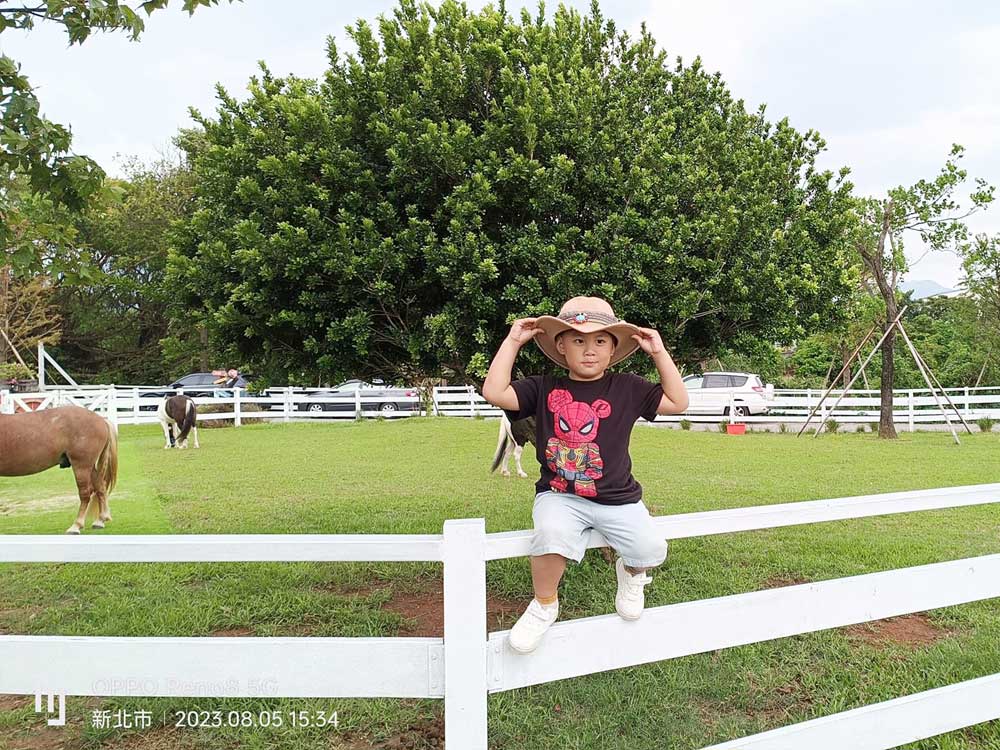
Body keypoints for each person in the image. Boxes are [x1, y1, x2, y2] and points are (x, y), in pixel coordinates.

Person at [482, 296, 689, 653]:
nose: (589, 350)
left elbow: (678, 402)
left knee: (651, 548)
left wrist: (658, 352)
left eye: (599, 341)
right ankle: (545, 604)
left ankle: (631, 574)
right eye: (578, 340)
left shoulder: (627, 387)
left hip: (617, 497)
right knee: (550, 535)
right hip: (560, 494)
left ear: (613, 348)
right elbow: (494, 391)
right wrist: (513, 340)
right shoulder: (544, 388)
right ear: (561, 346)